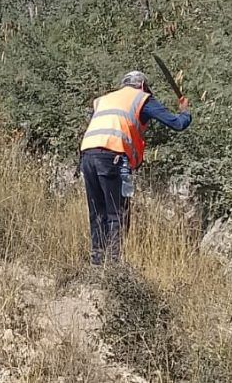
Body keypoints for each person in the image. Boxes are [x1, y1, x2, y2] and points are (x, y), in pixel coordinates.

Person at [80, 70, 192, 265]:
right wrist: (185, 111)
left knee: (97, 211)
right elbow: (177, 124)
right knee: (118, 212)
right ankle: (114, 266)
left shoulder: (103, 99)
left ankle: (97, 262)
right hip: (113, 155)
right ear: (142, 86)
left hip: (87, 155)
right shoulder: (142, 99)